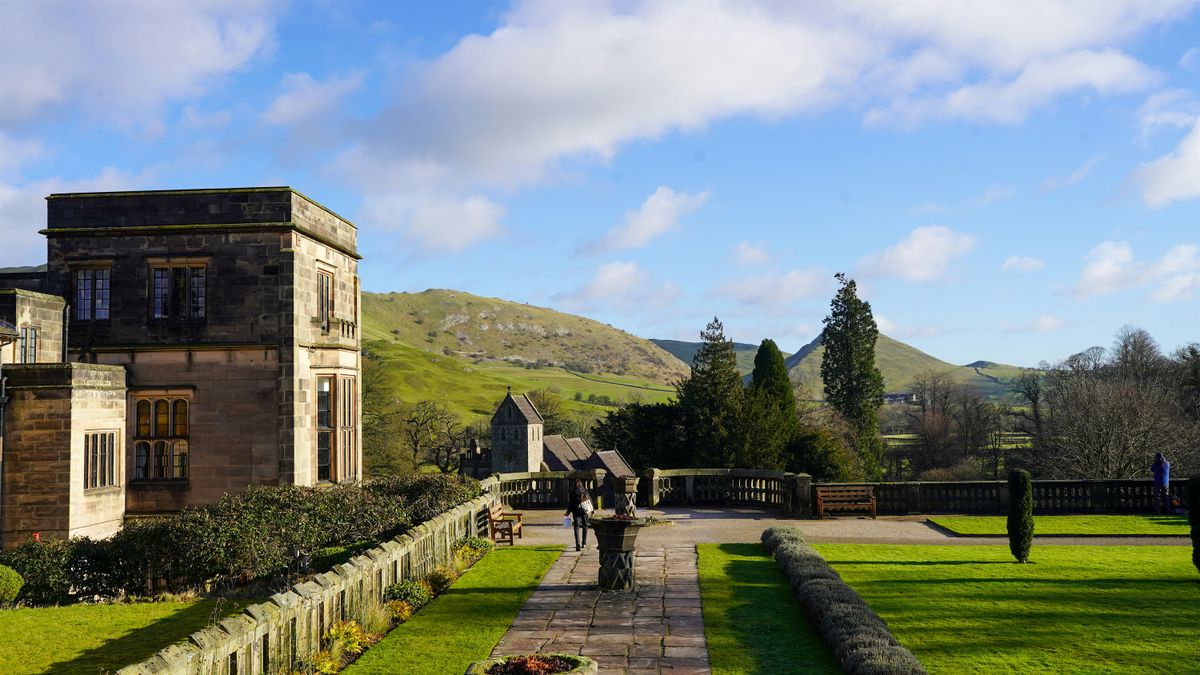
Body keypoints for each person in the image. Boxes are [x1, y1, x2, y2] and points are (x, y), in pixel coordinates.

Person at [565, 479, 593, 551]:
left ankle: (577, 544)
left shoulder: (572, 492)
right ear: (581, 484)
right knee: (585, 526)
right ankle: (584, 543)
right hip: (584, 512)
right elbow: (590, 501)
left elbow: (571, 504)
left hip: (576, 512)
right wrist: (592, 510)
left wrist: (568, 512)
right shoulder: (584, 491)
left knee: (576, 528)